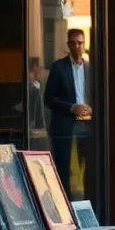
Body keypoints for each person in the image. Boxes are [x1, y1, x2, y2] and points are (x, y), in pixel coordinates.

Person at [43, 28, 97, 203]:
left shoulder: (91, 69)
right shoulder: (59, 68)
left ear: (84, 44)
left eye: (80, 43)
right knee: (64, 167)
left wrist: (93, 109)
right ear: (68, 45)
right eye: (73, 43)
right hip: (65, 126)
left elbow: (99, 96)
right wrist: (71, 107)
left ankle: (88, 205)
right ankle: (65, 204)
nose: (77, 46)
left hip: (88, 125)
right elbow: (49, 99)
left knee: (90, 167)